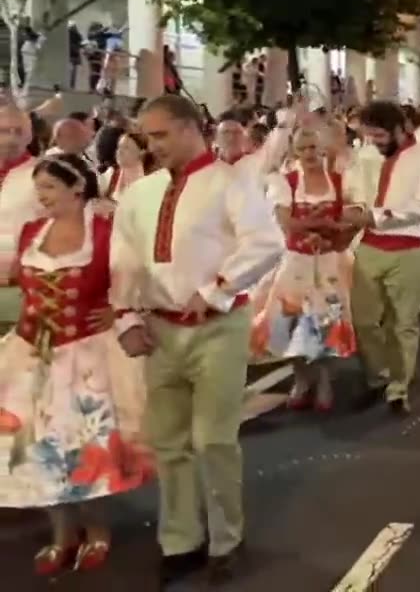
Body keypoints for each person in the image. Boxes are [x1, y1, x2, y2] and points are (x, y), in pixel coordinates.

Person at [110, 94, 285, 585]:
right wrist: (126, 318)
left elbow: (267, 244)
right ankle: (180, 540)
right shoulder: (139, 194)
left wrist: (216, 291)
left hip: (219, 329)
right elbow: (124, 261)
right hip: (159, 330)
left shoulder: (232, 183)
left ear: (191, 128)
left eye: (161, 134)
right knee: (168, 443)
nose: (152, 144)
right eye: (147, 135)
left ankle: (226, 538)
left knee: (213, 440)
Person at [0, 153, 152, 577]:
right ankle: (61, 534)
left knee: (85, 448)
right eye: (38, 188)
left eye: (48, 187)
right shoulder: (32, 231)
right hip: (32, 353)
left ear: (76, 188)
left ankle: (97, 529)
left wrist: (119, 311)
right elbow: (14, 277)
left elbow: (133, 280)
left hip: (85, 355)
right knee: (37, 448)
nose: (40, 196)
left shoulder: (105, 230)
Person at [344, 101, 420, 414]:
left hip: (408, 248)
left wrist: (375, 217)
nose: (374, 142)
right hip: (370, 246)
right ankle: (378, 376)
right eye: (370, 136)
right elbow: (356, 192)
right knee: (363, 320)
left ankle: (398, 389)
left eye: (380, 136)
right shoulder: (367, 156)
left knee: (403, 324)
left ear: (402, 130)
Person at [250, 126, 358, 412]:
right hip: (296, 264)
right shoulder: (286, 182)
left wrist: (341, 233)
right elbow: (287, 223)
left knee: (326, 323)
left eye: (314, 147)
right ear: (294, 152)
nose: (309, 153)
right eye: (303, 148)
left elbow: (353, 216)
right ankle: (301, 379)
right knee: (291, 325)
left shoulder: (337, 180)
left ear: (322, 150)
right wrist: (327, 225)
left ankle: (324, 381)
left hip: (328, 264)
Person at [0, 103, 41, 336]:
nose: (11, 138)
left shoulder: (45, 173)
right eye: (4, 130)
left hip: (21, 293)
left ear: (29, 136)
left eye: (18, 131)